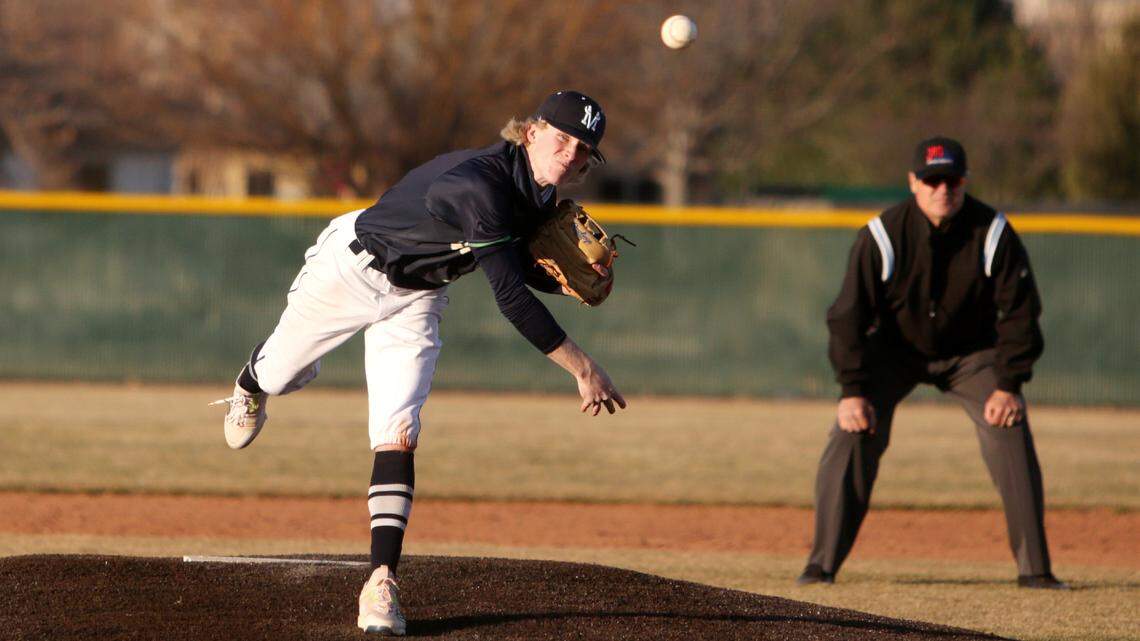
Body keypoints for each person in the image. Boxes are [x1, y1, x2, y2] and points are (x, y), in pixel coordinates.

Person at [211, 90, 628, 635]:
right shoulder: (483, 185)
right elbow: (509, 295)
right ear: (531, 132)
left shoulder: (538, 198)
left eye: (583, 150)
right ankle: (251, 380)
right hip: (352, 270)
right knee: (280, 375)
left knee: (398, 430)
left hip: (420, 296)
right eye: (563, 138)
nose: (570, 154)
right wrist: (581, 367)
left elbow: (515, 264)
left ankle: (380, 583)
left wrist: (562, 278)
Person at [796, 137, 1067, 590]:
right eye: (932, 179)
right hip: (893, 353)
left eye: (952, 179)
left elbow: (1020, 312)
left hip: (971, 356)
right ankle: (820, 566)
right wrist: (853, 391)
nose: (943, 189)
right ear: (913, 182)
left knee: (1009, 427)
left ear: (964, 181)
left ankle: (1035, 571)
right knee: (852, 432)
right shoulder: (882, 234)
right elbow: (847, 317)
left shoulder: (992, 231)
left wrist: (1008, 383)